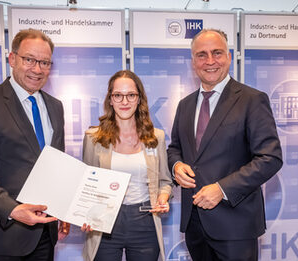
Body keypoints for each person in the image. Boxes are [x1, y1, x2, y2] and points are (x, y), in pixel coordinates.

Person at [167, 29, 283, 260]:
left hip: (236, 225)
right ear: (193, 61)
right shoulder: (185, 105)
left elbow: (270, 158)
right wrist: (176, 166)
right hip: (195, 225)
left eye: (217, 53)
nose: (210, 61)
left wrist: (222, 189)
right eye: (202, 55)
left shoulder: (252, 99)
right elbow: (175, 148)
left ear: (229, 56)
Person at [0, 29, 69, 260]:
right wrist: (12, 209)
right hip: (4, 233)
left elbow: (57, 166)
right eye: (29, 59)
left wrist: (64, 210)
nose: (38, 69)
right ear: (12, 59)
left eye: (45, 62)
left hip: (45, 232)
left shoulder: (56, 106)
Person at [81, 70, 173, 261]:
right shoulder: (93, 138)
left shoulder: (156, 137)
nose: (124, 102)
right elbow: (86, 184)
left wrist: (163, 198)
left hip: (145, 221)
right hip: (104, 222)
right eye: (118, 95)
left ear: (139, 99)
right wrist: (84, 214)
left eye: (131, 95)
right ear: (110, 99)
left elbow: (165, 181)